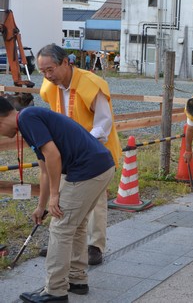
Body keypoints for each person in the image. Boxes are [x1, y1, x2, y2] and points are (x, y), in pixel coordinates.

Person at [0, 97, 115, 303]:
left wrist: (55, 196)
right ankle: (77, 279)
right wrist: (41, 205)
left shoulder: (27, 118)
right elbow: (44, 170)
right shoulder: (29, 121)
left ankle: (55, 291)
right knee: (76, 225)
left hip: (87, 170)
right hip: (101, 166)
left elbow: (53, 156)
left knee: (60, 227)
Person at [38, 44, 121, 266]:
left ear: (66, 62)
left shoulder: (92, 84)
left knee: (95, 201)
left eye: (51, 69)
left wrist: (84, 146)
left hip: (96, 151)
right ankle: (61, 242)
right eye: (43, 71)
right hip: (68, 154)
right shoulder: (49, 87)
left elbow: (104, 123)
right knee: (63, 196)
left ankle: (95, 246)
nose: (47, 75)